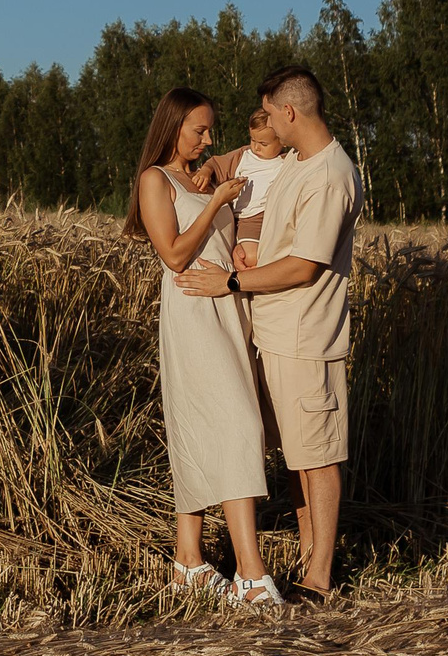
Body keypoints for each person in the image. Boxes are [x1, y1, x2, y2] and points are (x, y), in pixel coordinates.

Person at [176, 64, 360, 600]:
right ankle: (309, 566)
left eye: (270, 115)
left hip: (307, 337)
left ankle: (319, 581)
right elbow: (290, 244)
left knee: (319, 460)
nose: (266, 130)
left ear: (289, 111)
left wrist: (232, 280)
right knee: (300, 459)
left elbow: (305, 267)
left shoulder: (328, 174)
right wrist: (256, 252)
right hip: (277, 333)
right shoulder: (301, 165)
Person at [125, 88, 285, 612]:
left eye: (210, 129)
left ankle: (188, 562)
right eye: (200, 130)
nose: (209, 139)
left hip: (226, 306)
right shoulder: (155, 180)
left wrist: (236, 242)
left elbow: (223, 233)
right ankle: (251, 575)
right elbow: (172, 254)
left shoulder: (205, 174)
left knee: (204, 425)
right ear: (173, 127)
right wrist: (216, 201)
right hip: (193, 308)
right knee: (239, 425)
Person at [206, 104, 294, 269]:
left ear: (282, 141)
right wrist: (205, 171)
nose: (256, 147)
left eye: (263, 143)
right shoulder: (244, 155)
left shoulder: (287, 161)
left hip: (264, 216)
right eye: (252, 140)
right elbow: (216, 163)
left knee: (260, 255)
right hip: (243, 217)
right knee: (247, 257)